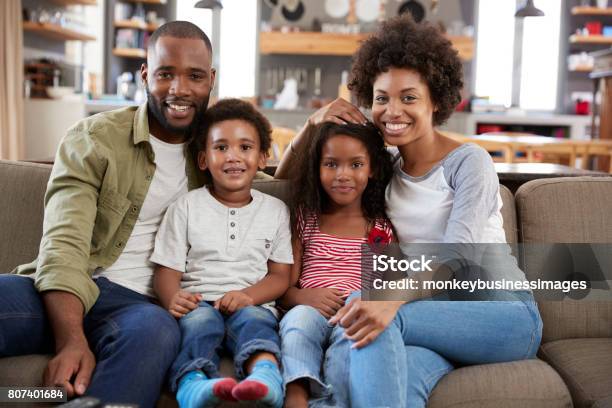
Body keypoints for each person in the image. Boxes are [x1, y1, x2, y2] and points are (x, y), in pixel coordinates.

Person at [277, 15, 542, 408]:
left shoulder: (469, 162)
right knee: (392, 378)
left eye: (409, 97)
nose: (392, 110)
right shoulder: (384, 168)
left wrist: (389, 299)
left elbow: (459, 257)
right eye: (382, 98)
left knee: (364, 309)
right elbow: (285, 183)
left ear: (436, 101)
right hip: (433, 321)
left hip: (501, 314)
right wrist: (312, 124)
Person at [0, 21, 215, 407]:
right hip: (66, 286)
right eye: (166, 74)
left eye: (195, 76)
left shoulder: (216, 152)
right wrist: (71, 340)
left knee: (157, 330)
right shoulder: (95, 138)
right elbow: (63, 243)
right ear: (146, 75)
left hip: (139, 310)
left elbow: (267, 188)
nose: (180, 89)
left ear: (211, 80)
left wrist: (309, 132)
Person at [151, 98, 293, 408]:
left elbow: (280, 275)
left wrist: (248, 296)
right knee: (200, 325)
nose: (233, 157)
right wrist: (172, 298)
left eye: (245, 147)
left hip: (251, 301)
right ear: (203, 159)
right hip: (199, 301)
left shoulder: (275, 211)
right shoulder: (186, 206)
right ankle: (193, 383)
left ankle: (265, 376)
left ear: (262, 158)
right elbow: (166, 271)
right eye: (221, 147)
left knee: (256, 322)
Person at [277, 122, 394, 408]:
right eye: (331, 164)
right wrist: (304, 296)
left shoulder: (380, 229)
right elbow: (284, 288)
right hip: (308, 308)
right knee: (298, 324)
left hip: (353, 314)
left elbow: (389, 291)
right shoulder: (306, 219)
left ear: (372, 169)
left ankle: (333, 404)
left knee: (352, 339)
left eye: (356, 165)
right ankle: (296, 393)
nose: (343, 175)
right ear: (317, 169)